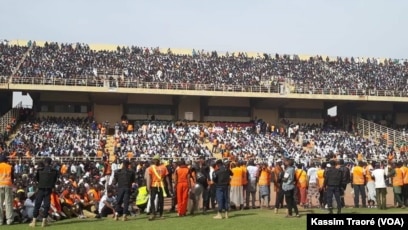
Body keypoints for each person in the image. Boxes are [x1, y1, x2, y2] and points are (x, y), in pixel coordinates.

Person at [29, 157, 59, 227]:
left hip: (41, 189)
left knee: (37, 204)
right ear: (50, 162)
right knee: (46, 205)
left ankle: (34, 221)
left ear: (45, 162)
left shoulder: (40, 170)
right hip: (49, 189)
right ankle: (44, 221)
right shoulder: (54, 171)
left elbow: (37, 179)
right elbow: (55, 180)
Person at [146, 155, 171, 221]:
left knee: (161, 200)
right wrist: (148, 186)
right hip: (154, 185)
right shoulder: (151, 168)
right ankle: (153, 213)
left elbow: (167, 177)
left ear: (159, 160)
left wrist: (168, 185)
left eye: (156, 160)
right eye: (154, 160)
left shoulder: (164, 167)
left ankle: (161, 214)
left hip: (161, 185)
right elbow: (150, 178)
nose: (155, 161)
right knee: (152, 199)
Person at [0, 154, 14, 225]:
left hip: (0, 184)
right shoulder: (10, 167)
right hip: (8, 185)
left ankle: (0, 221)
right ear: (6, 160)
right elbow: (12, 178)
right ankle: (9, 220)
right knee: (8, 203)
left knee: (0, 203)